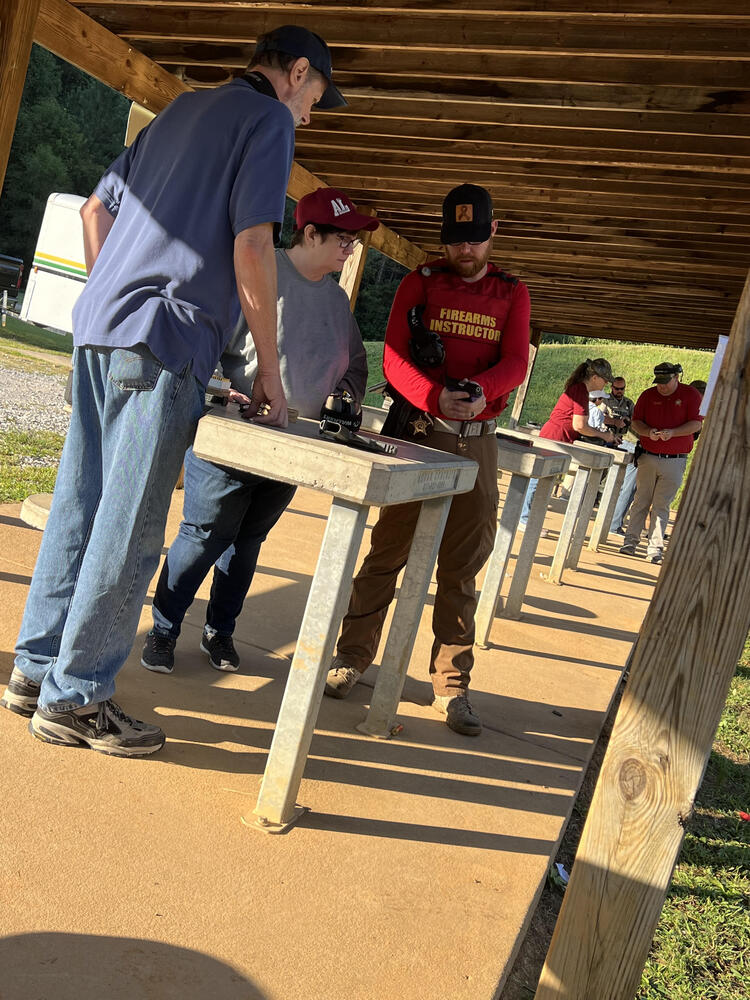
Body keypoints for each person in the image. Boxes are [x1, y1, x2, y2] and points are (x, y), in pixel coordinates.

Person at [0, 26, 345, 757]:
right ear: (297, 73)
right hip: (165, 341)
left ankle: (34, 672)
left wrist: (112, 293)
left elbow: (97, 211)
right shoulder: (267, 120)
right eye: (314, 99)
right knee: (128, 526)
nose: (309, 116)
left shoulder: (181, 111)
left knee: (79, 505)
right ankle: (77, 697)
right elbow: (253, 246)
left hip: (100, 330)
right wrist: (270, 378)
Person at [324, 183, 531, 737]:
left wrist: (482, 389)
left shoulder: (513, 292)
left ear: (493, 233)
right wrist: (434, 396)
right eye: (455, 240)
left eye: (474, 240)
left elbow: (516, 360)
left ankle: (451, 684)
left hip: (478, 435)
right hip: (418, 430)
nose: (465, 251)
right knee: (387, 549)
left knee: (463, 563)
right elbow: (392, 357)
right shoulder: (420, 281)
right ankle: (352, 656)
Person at [140, 188, 374, 674]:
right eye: (344, 239)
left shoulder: (336, 301)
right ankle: (163, 628)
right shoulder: (258, 275)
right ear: (310, 233)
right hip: (232, 442)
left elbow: (355, 362)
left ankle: (219, 631)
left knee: (246, 544)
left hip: (294, 449)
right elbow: (204, 349)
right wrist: (224, 392)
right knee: (205, 535)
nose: (351, 249)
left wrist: (344, 398)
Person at [619, 362, 702, 565]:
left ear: (677, 378)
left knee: (662, 504)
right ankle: (630, 542)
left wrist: (673, 433)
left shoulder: (691, 395)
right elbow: (636, 421)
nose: (661, 387)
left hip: (675, 459)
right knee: (641, 500)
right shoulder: (648, 395)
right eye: (659, 382)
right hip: (648, 455)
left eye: (666, 382)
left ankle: (654, 547)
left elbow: (696, 423)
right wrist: (648, 432)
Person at [519, 358, 616, 527]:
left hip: (557, 437)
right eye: (605, 379)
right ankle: (524, 518)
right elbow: (579, 425)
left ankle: (529, 518)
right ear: (594, 378)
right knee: (538, 480)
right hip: (555, 438)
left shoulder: (580, 390)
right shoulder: (580, 391)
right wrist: (604, 436)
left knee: (543, 480)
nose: (606, 382)